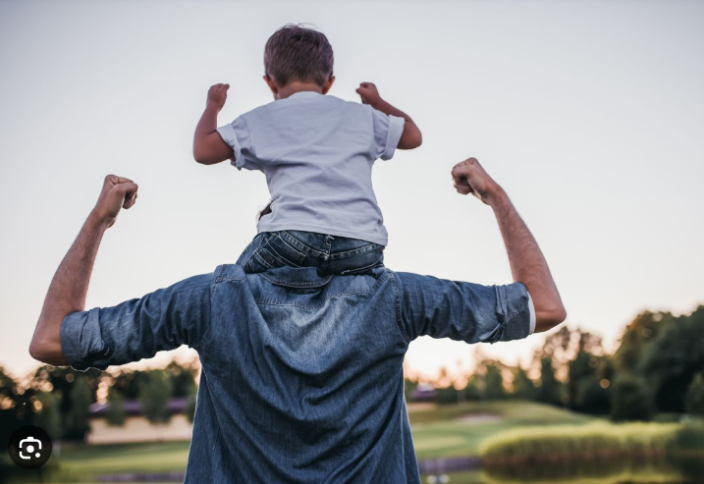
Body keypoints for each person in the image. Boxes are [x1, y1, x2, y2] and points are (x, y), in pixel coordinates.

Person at [29, 157, 566, 483]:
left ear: (263, 230)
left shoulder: (209, 302)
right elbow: (543, 307)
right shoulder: (396, 299)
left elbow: (53, 338)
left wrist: (100, 220)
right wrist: (495, 197)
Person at [192, 24, 422, 275]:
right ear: (329, 83)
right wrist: (377, 102)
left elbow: (203, 150)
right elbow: (413, 136)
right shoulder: (362, 116)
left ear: (270, 82)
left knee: (232, 285)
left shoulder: (262, 119)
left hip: (292, 239)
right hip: (363, 244)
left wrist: (212, 106)